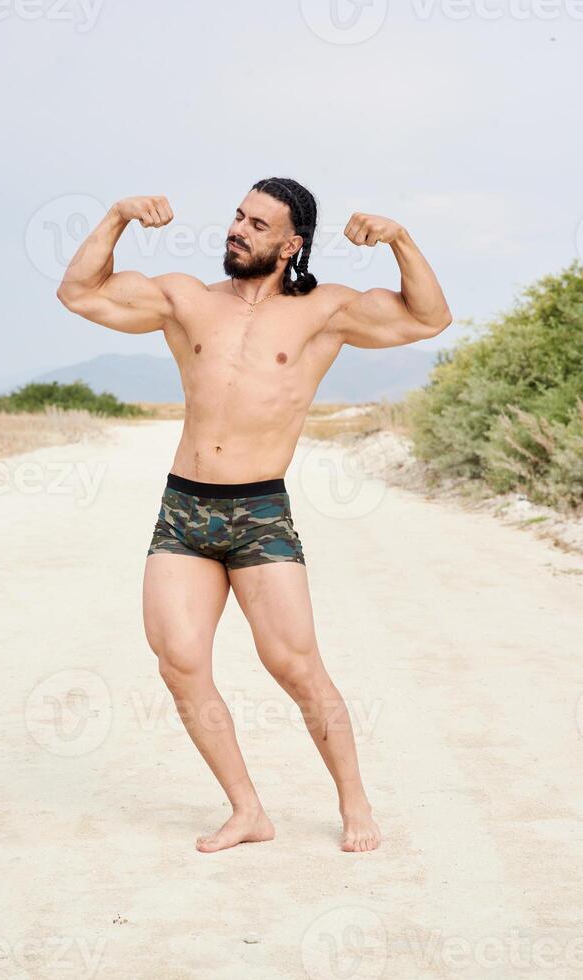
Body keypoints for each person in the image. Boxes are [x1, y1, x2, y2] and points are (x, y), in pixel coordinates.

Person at [57, 177, 451, 853]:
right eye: (237, 216)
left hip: (261, 509)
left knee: (295, 665)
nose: (237, 229)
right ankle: (248, 810)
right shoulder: (184, 299)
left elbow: (427, 319)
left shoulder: (326, 311)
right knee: (179, 661)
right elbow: (80, 292)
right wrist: (119, 215)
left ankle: (354, 800)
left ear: (291, 243)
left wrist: (400, 241)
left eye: (257, 224)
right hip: (185, 507)